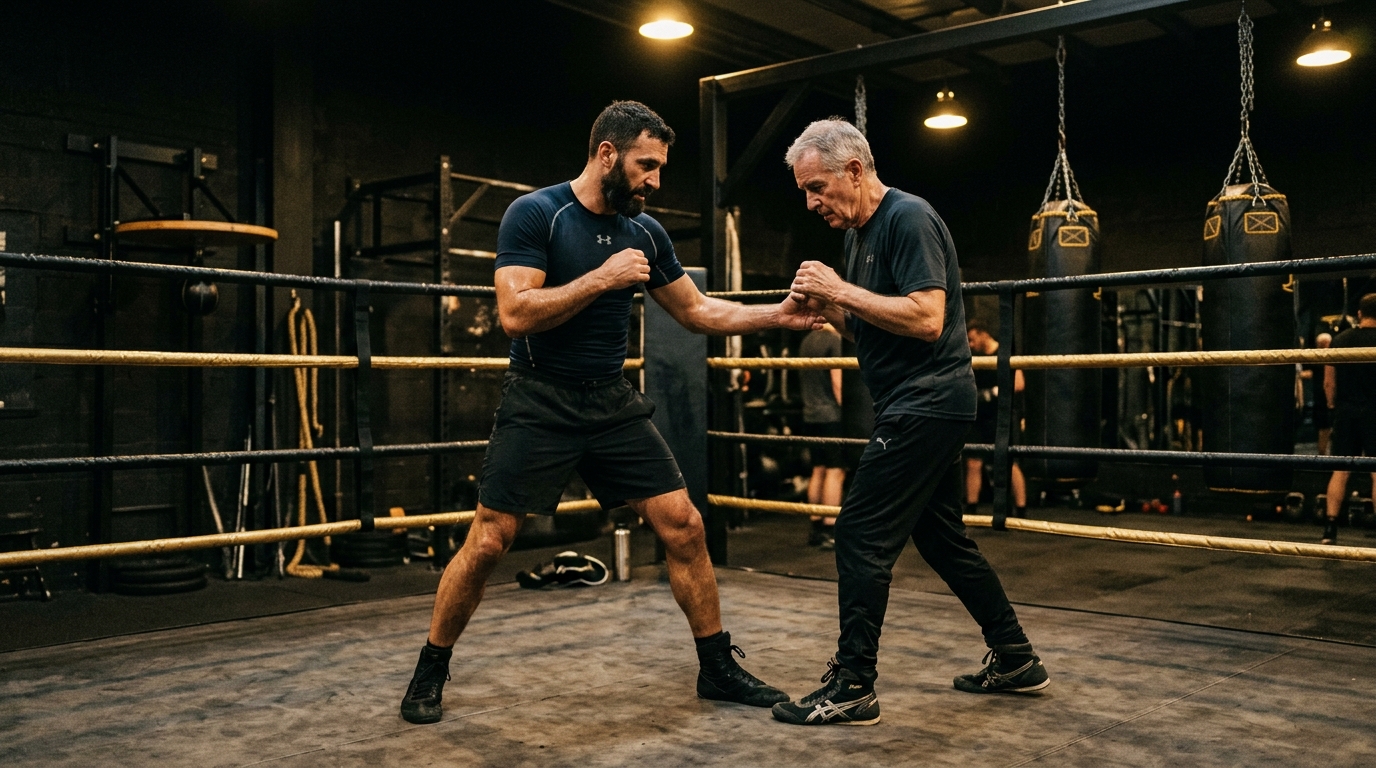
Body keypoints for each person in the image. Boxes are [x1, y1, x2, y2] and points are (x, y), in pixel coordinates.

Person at [399, 101, 822, 724]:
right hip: (540, 395)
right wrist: (600, 279)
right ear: (606, 155)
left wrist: (776, 316)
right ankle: (430, 668)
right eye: (646, 165)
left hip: (609, 398)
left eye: (659, 168)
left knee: (685, 525)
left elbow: (697, 312)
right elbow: (515, 314)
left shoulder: (645, 231)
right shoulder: (538, 214)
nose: (654, 181)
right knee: (492, 538)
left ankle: (717, 667)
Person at [771, 118, 1048, 727]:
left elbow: (926, 317)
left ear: (854, 169)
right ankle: (1015, 655)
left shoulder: (908, 218)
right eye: (804, 192)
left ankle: (853, 685)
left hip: (928, 402)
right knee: (944, 541)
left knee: (860, 532)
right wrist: (830, 310)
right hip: (915, 402)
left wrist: (841, 290)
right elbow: (876, 322)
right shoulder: (858, 235)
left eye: (817, 187)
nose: (812, 202)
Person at [1321, 295, 1376, 546]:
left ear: (1359, 313)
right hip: (1374, 412)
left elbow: (1328, 382)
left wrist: (1334, 406)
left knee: (1340, 471)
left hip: (1346, 411)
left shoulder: (1340, 340)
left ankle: (1329, 530)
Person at [965, 319, 1028, 518]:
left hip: (1001, 416)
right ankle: (971, 510)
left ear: (983, 333)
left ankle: (1021, 509)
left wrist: (993, 392)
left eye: (973, 339)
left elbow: (1018, 384)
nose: (972, 345)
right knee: (973, 462)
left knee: (1010, 461)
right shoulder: (973, 358)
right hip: (979, 416)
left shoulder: (1004, 352)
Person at [798, 323, 846, 548]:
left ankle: (815, 527)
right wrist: (849, 415)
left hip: (810, 414)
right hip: (830, 416)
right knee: (835, 472)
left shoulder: (807, 341)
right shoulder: (834, 341)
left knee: (817, 469)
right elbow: (838, 383)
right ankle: (829, 529)